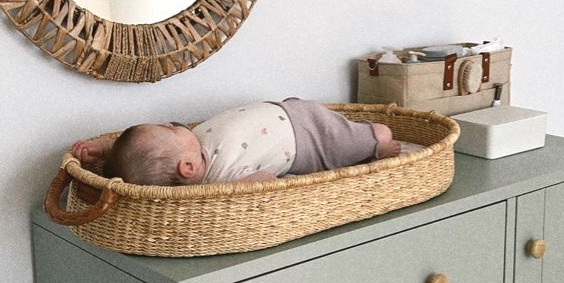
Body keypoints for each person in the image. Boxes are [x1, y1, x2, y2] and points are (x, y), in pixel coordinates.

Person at [71, 98, 401, 186]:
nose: (174, 124)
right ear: (187, 169)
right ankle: (377, 143)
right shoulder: (220, 178)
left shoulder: (194, 147)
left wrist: (106, 151)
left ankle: (368, 136)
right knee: (361, 139)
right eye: (169, 129)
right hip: (311, 141)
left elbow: (134, 158)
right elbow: (266, 180)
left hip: (289, 109)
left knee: (344, 129)